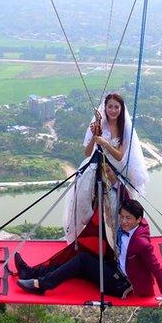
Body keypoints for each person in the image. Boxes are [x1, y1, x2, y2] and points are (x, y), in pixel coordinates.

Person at [17, 198, 162, 308]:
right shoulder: (131, 226)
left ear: (139, 220)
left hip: (122, 285)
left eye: (128, 218)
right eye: (122, 217)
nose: (124, 221)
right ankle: (31, 273)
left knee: (82, 260)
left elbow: (156, 268)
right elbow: (124, 201)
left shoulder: (141, 243)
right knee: (77, 265)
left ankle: (41, 285)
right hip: (115, 269)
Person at [64, 93, 149, 243]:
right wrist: (94, 137)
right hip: (96, 165)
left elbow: (119, 156)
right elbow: (88, 152)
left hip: (115, 170)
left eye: (117, 107)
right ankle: (87, 239)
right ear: (105, 107)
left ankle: (116, 243)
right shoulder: (99, 125)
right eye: (110, 106)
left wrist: (104, 143)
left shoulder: (124, 128)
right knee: (85, 201)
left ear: (121, 109)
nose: (113, 110)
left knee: (115, 208)